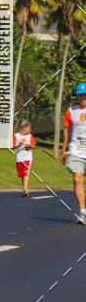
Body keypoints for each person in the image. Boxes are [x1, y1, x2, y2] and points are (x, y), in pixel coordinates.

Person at [60, 82, 86, 224]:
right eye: (80, 95)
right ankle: (83, 212)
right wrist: (64, 148)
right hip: (76, 150)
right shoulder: (71, 111)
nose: (83, 97)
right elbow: (67, 129)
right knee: (77, 178)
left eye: (85, 95)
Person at [13, 120, 36, 197]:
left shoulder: (30, 136)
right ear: (24, 128)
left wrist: (29, 145)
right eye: (29, 128)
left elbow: (34, 146)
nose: (30, 130)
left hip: (27, 158)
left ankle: (25, 190)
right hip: (19, 158)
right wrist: (18, 145)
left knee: (26, 173)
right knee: (22, 174)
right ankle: (24, 189)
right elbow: (12, 146)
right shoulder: (16, 136)